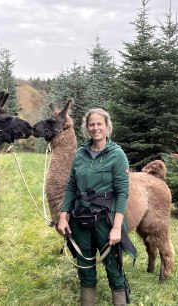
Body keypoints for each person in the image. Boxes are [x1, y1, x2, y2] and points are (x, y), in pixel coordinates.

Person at [57, 108, 135, 306]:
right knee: (84, 266)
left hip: (105, 220)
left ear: (107, 126)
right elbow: (71, 187)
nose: (95, 128)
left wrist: (117, 227)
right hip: (81, 218)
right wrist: (63, 216)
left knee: (113, 266)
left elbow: (122, 193)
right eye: (91, 124)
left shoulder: (117, 155)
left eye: (99, 124)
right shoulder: (80, 154)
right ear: (87, 127)